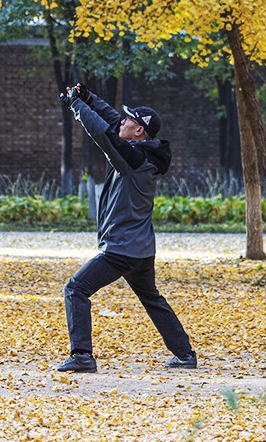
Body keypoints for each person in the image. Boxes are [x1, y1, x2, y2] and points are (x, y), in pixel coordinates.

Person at [56, 83, 196, 373]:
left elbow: (104, 134)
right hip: (140, 248)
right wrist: (88, 98)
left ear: (139, 131)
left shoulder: (134, 159)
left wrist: (77, 107)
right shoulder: (141, 152)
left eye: (129, 120)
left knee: (75, 289)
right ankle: (185, 354)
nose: (123, 121)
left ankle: (82, 355)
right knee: (151, 298)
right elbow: (111, 122)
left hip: (122, 248)